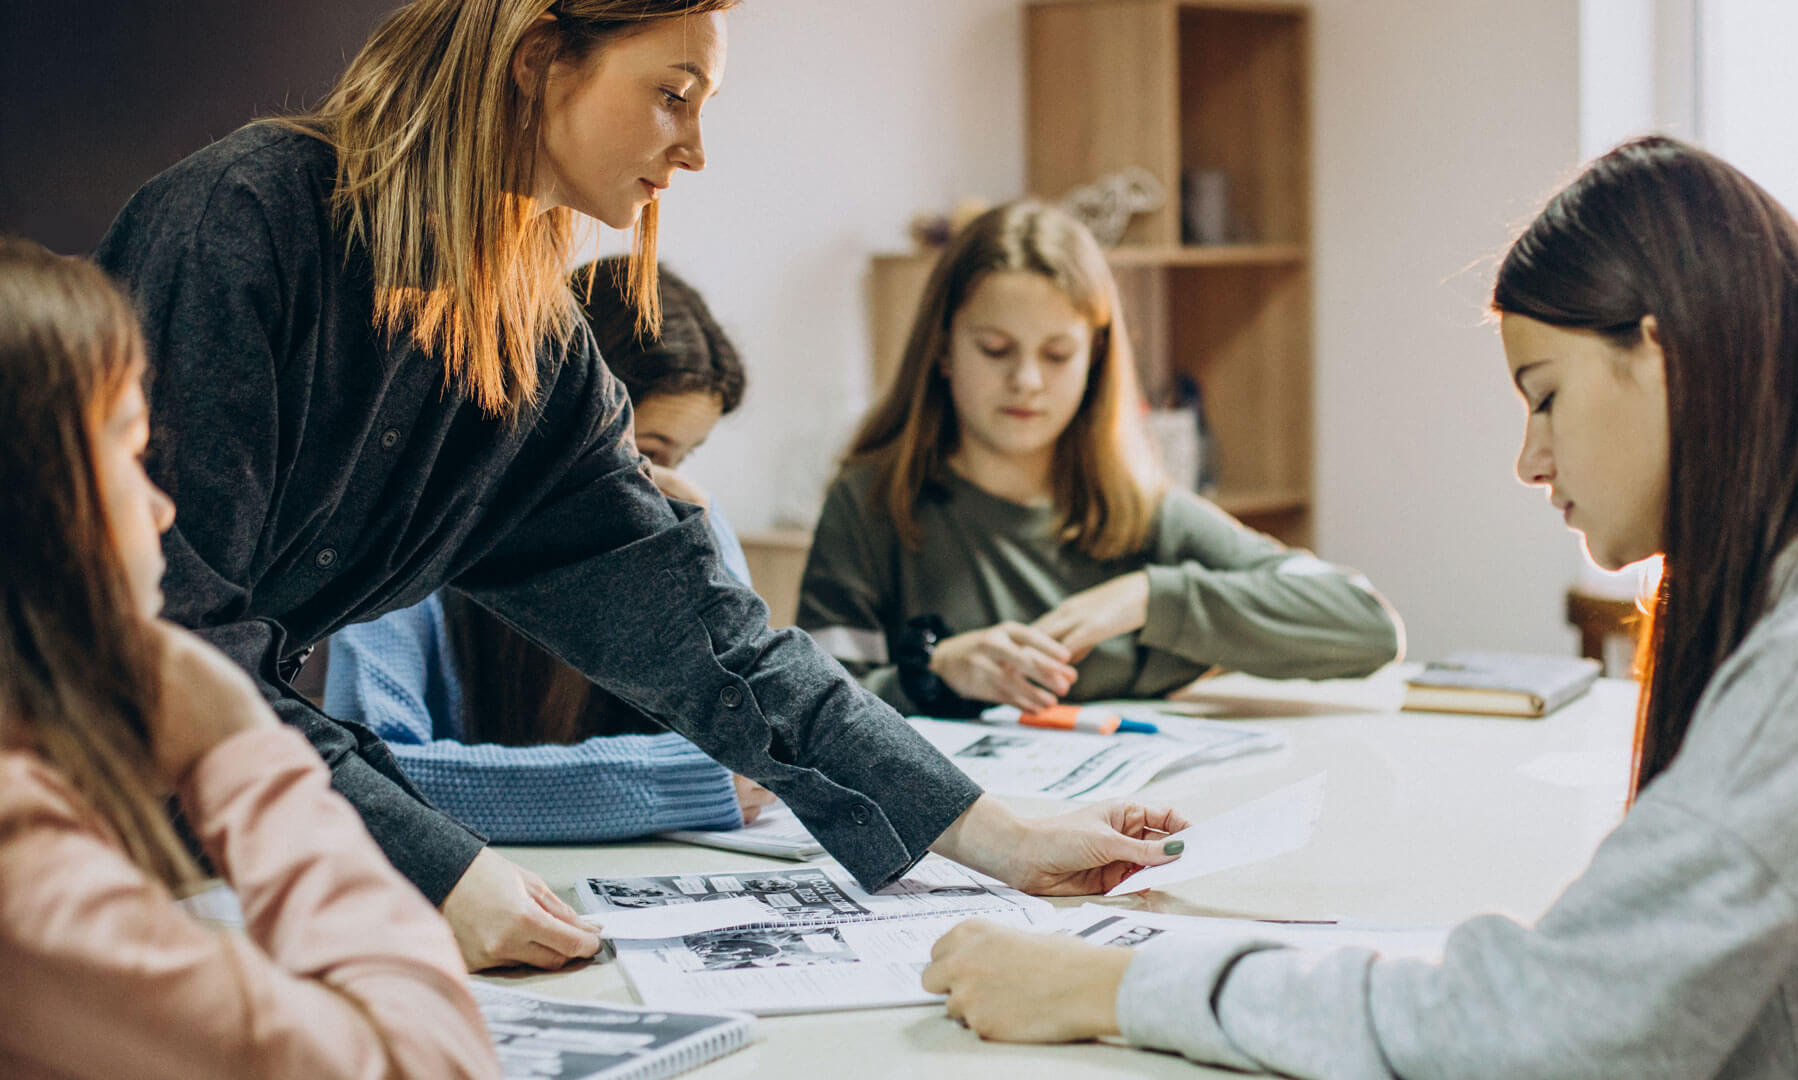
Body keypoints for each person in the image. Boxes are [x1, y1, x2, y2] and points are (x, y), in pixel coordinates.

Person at [93, 0, 1184, 973]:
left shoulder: (536, 351)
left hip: (222, 847)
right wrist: (431, 867)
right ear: (535, 59)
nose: (697, 150)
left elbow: (716, 644)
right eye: (673, 95)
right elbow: (170, 638)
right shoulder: (241, 223)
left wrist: (995, 832)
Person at [921, 137, 1798, 1078]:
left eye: (1544, 395)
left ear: (1659, 357)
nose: (1530, 459)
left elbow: (1550, 1028)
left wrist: (1115, 986)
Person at [0, 238, 497, 1079]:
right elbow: (430, 1064)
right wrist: (239, 747)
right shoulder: (21, 859)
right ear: (33, 500)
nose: (161, 508)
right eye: (129, 451)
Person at [799, 201, 1401, 717]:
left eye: (1058, 354)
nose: (1027, 381)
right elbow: (807, 710)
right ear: (943, 351)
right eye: (995, 349)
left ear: (1095, 361)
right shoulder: (870, 504)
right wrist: (935, 674)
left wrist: (1147, 598)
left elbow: (1369, 626)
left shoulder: (1144, 512)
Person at [324, 259, 777, 842]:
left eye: (682, 459)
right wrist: (683, 785)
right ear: (556, 421)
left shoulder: (693, 523)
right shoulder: (402, 536)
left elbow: (754, 753)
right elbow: (372, 783)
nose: (665, 487)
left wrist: (699, 570)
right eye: (649, 453)